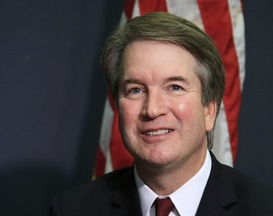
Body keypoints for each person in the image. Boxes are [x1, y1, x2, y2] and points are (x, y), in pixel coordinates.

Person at [49, 12, 273, 216]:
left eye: (175, 87)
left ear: (209, 109)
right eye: (135, 90)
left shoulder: (263, 208)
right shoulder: (71, 210)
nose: (152, 110)